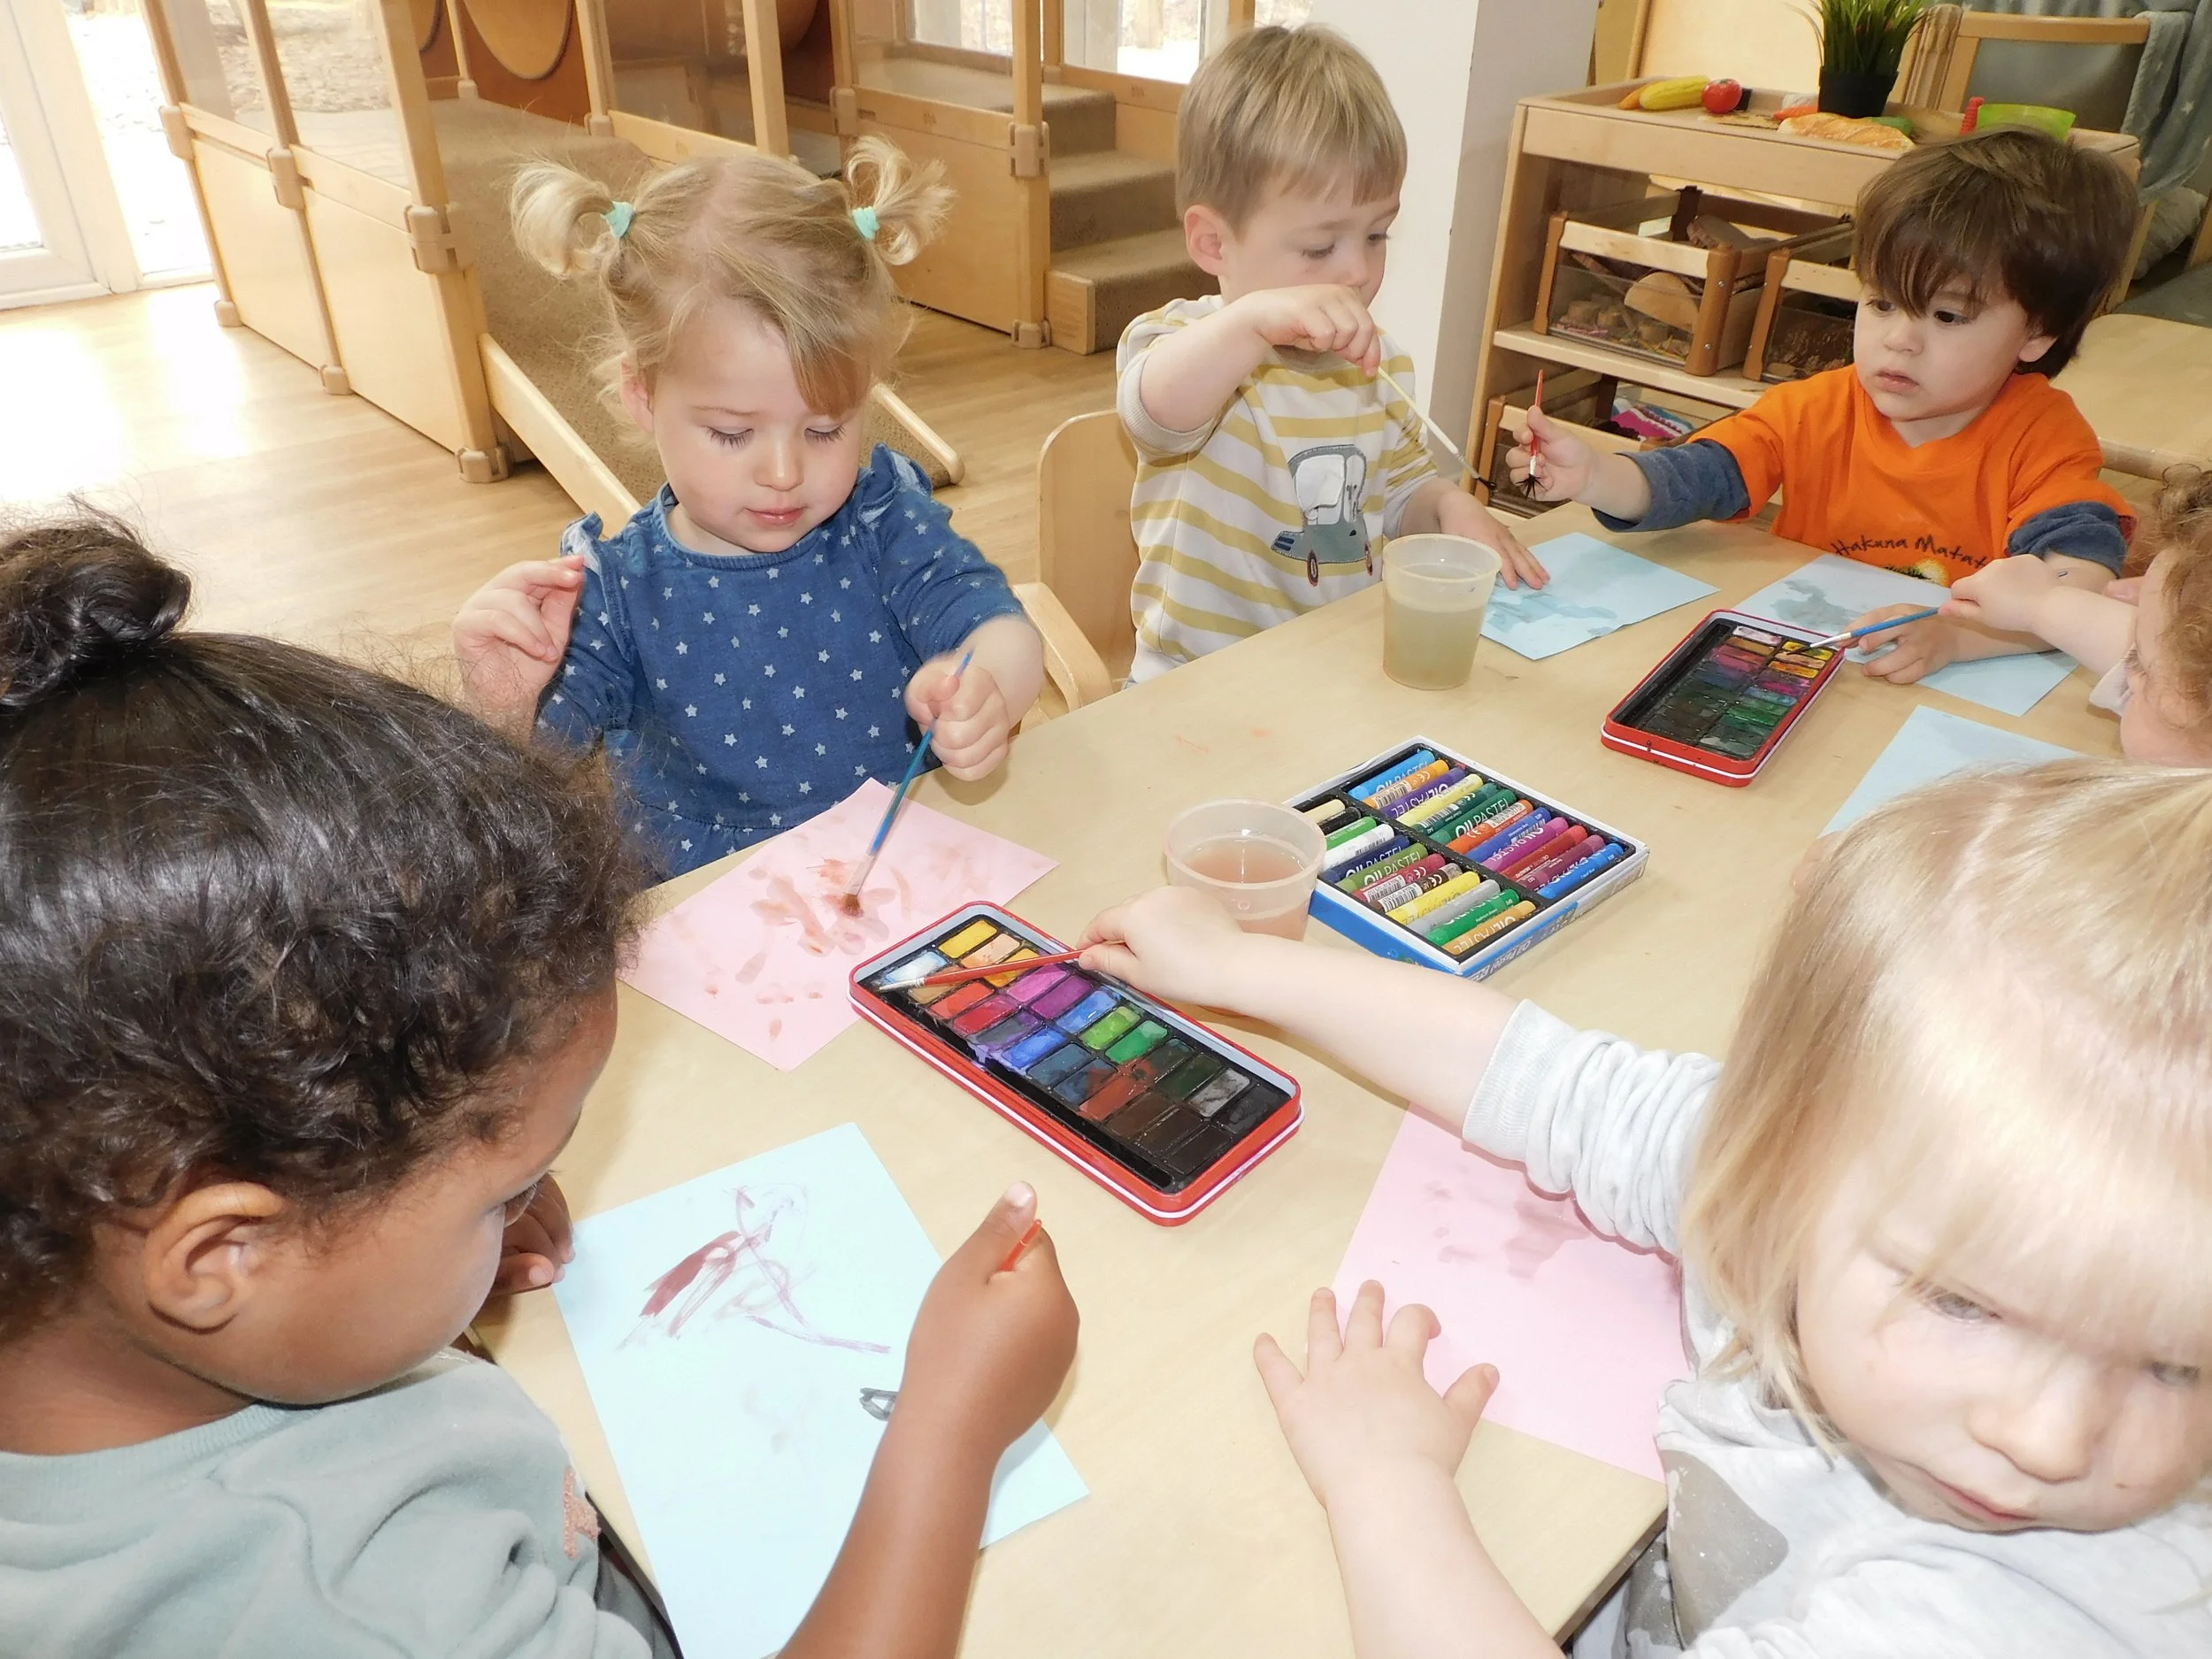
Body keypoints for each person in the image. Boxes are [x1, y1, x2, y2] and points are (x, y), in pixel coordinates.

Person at [0, 513, 1079, 1658]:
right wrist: (949, 1433)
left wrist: (437, 1215)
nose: (526, 1203)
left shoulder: (81, 1240)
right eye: (500, 1190)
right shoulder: (354, 1602)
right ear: (224, 1254)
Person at [1079, 764, 2212, 1656]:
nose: (2050, 1440)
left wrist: (1387, 1484)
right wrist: (1235, 968)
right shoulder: (1825, 1177)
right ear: (1789, 1149)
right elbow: (1555, 1084)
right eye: (1961, 1303)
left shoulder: (2018, 1616)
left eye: (2179, 1365)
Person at [453, 139, 1043, 876]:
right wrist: (503, 703)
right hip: (700, 906)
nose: (784, 473)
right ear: (643, 394)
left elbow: (1001, 628)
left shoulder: (884, 524)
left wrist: (986, 687)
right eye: (733, 434)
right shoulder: (613, 590)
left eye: (825, 429)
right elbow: (526, 788)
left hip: (897, 876)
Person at [1510, 127, 2140, 687]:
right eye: (1882, 303)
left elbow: (2077, 583)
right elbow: (1698, 477)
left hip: (1951, 690)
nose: (1900, 339)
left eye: (1947, 316)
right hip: (1808, 663)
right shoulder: (1815, 408)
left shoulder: (2043, 438)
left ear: (2037, 333)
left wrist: (1960, 639)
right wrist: (1597, 475)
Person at [1115, 24, 1547, 682]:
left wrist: (1447, 507)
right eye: (1320, 248)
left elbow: (1399, 493)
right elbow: (1155, 412)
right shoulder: (1178, 342)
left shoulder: (1378, 364)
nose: (1357, 272)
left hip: (1337, 673)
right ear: (1213, 244)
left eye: (1377, 235)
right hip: (1191, 683)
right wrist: (1254, 321)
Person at [1943, 469, 2212, 764]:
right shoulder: (2184, 719)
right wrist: (2041, 603)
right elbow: (2169, 662)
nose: (2121, 591)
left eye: (2140, 666)